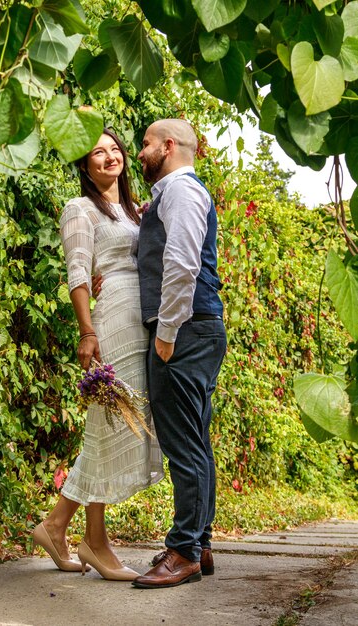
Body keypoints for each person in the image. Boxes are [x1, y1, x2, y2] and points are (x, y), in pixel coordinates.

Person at [33, 129, 163, 581]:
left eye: (114, 149)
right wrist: (87, 330)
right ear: (84, 166)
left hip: (139, 321)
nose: (109, 157)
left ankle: (55, 525)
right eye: (96, 153)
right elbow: (77, 273)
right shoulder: (80, 208)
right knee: (110, 426)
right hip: (109, 324)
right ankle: (95, 542)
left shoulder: (132, 210)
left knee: (111, 427)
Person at [132, 119, 227, 589]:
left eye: (146, 144)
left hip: (184, 333)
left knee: (184, 445)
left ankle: (184, 550)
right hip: (198, 330)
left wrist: (166, 333)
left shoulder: (182, 192)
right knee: (197, 440)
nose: (140, 153)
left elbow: (183, 262)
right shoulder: (174, 195)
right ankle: (200, 543)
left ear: (168, 146)